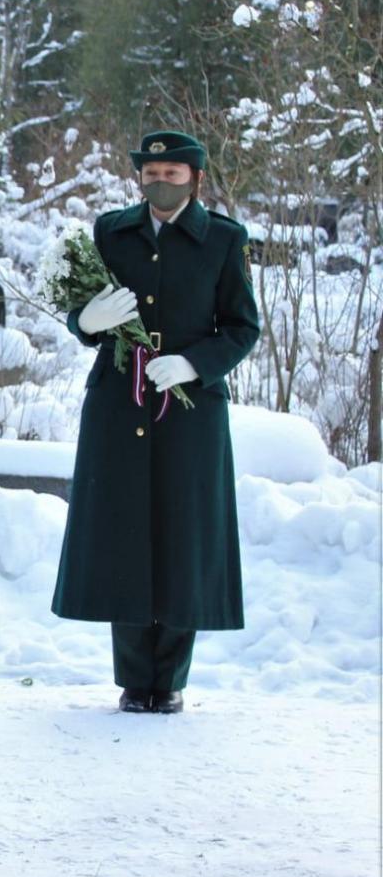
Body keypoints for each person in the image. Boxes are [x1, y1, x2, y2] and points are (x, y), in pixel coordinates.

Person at [52, 130, 260, 714]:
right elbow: (80, 306)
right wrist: (86, 321)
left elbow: (243, 327)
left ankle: (168, 681)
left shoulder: (223, 239)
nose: (160, 182)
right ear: (139, 178)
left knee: (181, 534)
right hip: (119, 403)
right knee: (123, 532)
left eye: (173, 174)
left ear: (194, 178)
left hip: (190, 410)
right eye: (152, 173)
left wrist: (194, 363)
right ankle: (131, 678)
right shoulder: (110, 232)